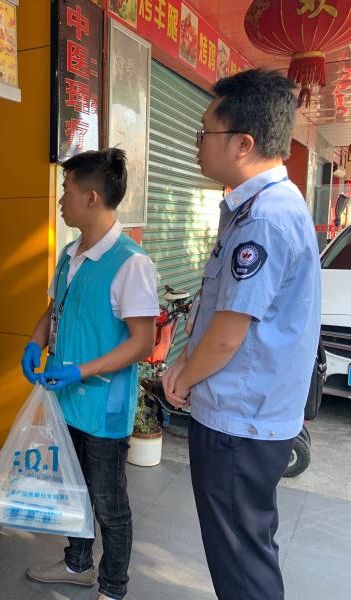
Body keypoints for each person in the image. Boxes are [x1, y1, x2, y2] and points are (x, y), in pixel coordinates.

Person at [162, 69, 321, 600]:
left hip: (241, 420)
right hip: (250, 414)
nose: (197, 145)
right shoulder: (263, 207)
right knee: (246, 549)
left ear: (243, 143)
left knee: (241, 562)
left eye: (204, 132)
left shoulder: (263, 219)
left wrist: (184, 376)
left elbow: (230, 334)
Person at [21, 149, 158, 600]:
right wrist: (35, 341)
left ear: (92, 198)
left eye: (67, 191)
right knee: (73, 489)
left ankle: (113, 588)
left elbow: (141, 342)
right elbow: (54, 307)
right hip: (67, 401)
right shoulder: (71, 254)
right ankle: (77, 564)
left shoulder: (130, 263)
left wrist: (81, 370)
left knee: (109, 503)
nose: (61, 200)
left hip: (102, 406)